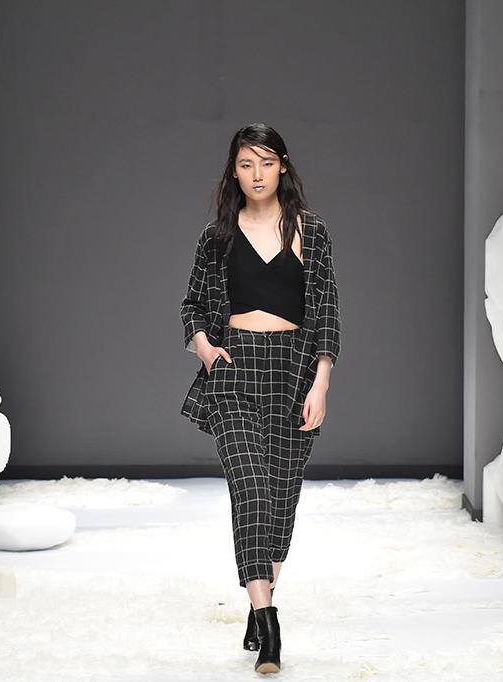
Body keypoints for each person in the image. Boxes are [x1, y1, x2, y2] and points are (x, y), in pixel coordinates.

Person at [178, 123, 341, 674]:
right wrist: (205, 348)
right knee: (249, 489)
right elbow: (192, 304)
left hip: (294, 370)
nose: (257, 174)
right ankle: (269, 625)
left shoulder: (311, 231)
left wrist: (321, 383)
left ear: (283, 167)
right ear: (233, 171)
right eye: (246, 164)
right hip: (234, 369)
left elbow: (326, 311)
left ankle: (257, 600)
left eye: (266, 163)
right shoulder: (218, 236)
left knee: (280, 500)